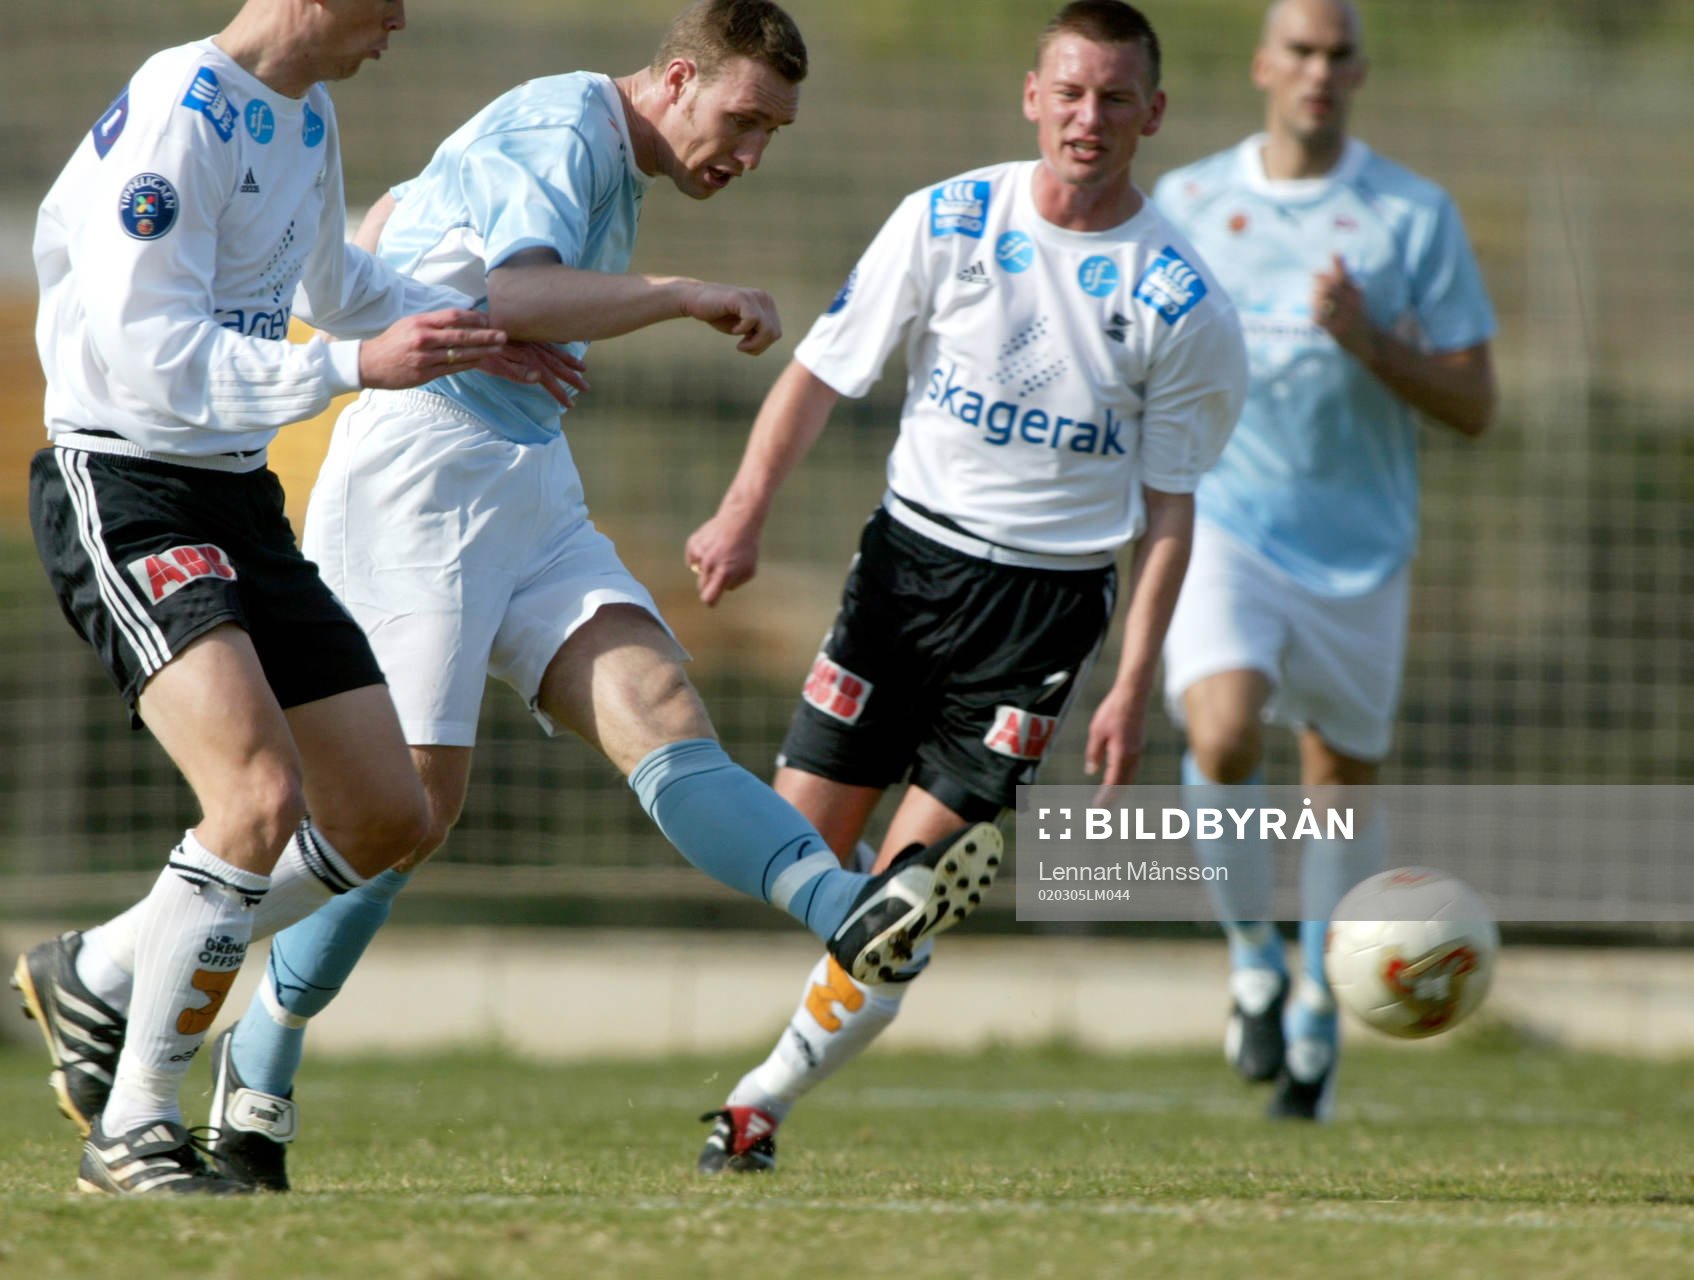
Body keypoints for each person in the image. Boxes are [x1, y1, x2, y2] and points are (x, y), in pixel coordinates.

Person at [15, 0, 1003, 1194]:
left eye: (772, 133)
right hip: (406, 472)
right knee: (372, 804)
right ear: (676, 79)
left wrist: (466, 329)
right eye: (744, 119)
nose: (750, 152)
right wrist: (671, 294)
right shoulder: (554, 124)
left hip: (513, 465)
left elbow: (365, 261)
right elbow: (509, 289)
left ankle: (850, 909)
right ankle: (204, 1052)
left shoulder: (313, 115)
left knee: (635, 712)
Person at [9, 0, 591, 1196]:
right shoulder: (177, 115)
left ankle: (100, 970)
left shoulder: (307, 112)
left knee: (385, 812)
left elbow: (338, 280)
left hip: (236, 492)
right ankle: (134, 1126)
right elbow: (150, 357)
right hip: (127, 486)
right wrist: (347, 367)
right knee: (257, 794)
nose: (401, 21)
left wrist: (470, 333)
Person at [683, 0, 1248, 1173]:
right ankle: (884, 932)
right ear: (1032, 96)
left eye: (1113, 98)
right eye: (1069, 92)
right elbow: (817, 374)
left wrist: (1131, 680)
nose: (1088, 118)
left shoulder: (1181, 300)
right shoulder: (948, 218)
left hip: (1038, 616)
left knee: (911, 887)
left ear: (1152, 113)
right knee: (794, 844)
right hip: (903, 573)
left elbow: (1170, 510)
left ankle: (757, 1103)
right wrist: (741, 511)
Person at [1152, 0, 1496, 1120]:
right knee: (1220, 730)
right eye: (1298, 50)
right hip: (1225, 524)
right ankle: (1252, 959)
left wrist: (1367, 340)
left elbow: (1475, 403)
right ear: (1264, 65)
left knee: (1335, 791)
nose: (1316, 70)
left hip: (1359, 548)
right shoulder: (1187, 202)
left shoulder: (1411, 214)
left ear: (1358, 72)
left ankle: (1315, 1003)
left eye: (1337, 54)